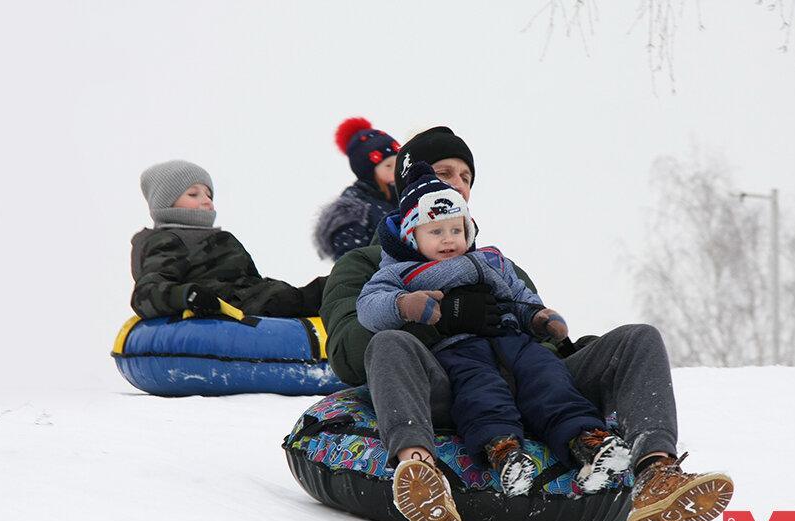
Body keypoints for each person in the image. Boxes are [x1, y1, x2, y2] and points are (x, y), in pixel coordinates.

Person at [320, 126, 734, 521]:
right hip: (447, 385)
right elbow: (349, 353)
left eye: (466, 176)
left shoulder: (494, 264)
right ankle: (422, 474)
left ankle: (656, 474)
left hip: (528, 380)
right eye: (446, 172)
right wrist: (437, 320)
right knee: (390, 343)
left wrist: (571, 343)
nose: (458, 184)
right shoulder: (367, 267)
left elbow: (535, 331)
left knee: (637, 339)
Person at [356, 161, 631, 499]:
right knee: (479, 388)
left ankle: (586, 442)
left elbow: (519, 296)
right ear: (412, 236)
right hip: (458, 348)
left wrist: (541, 317)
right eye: (436, 232)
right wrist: (405, 305)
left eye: (456, 231)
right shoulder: (401, 272)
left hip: (513, 341)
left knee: (549, 377)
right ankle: (502, 450)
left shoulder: (491, 260)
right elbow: (369, 306)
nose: (448, 241)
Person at [131, 159, 326, 320]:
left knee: (328, 288)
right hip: (229, 308)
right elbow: (145, 292)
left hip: (256, 299)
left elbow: (251, 280)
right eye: (193, 194)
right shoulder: (168, 240)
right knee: (316, 295)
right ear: (166, 203)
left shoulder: (221, 238)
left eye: (209, 194)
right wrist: (187, 295)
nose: (207, 200)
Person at [313, 117, 400, 261]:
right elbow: (350, 261)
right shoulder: (354, 209)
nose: (396, 171)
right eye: (388, 166)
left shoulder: (406, 196)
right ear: (368, 172)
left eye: (399, 164)